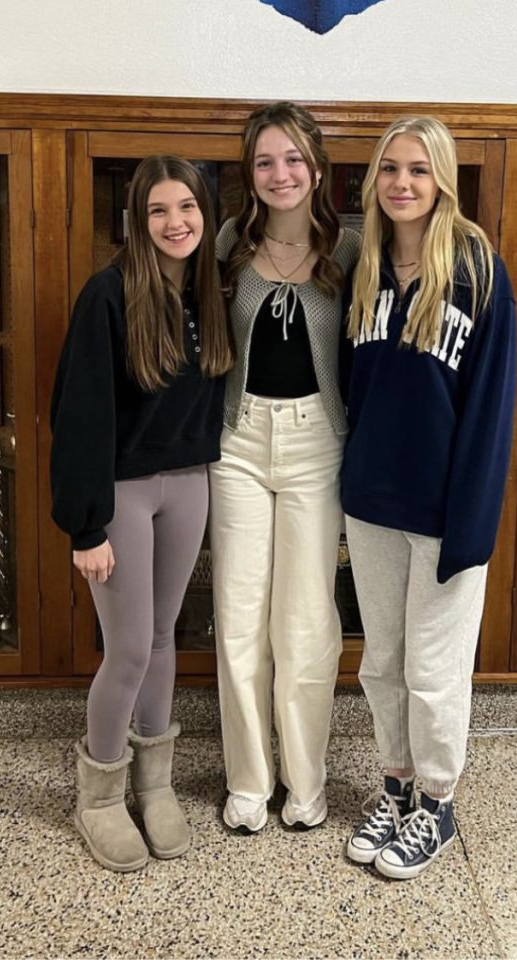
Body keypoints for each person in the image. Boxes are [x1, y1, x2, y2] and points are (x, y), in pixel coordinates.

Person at [341, 116, 517, 880]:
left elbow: (491, 403)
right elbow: (356, 387)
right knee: (382, 662)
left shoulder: (476, 268)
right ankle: (396, 785)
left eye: (417, 169)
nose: (402, 183)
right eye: (389, 170)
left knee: (434, 670)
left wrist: (471, 524)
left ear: (441, 179)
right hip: (372, 500)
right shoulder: (366, 263)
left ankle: (437, 806)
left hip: (446, 510)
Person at [50, 155, 232, 872]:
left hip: (188, 482)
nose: (174, 222)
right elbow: (78, 413)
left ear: (203, 214)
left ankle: (154, 785)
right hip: (123, 489)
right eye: (157, 210)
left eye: (185, 207)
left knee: (163, 638)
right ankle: (98, 794)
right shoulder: (107, 294)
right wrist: (85, 525)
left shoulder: (212, 293)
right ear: (136, 218)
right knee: (126, 649)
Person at [210, 102, 361, 835]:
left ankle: (305, 781)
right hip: (236, 444)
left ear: (317, 168)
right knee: (238, 618)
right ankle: (247, 781)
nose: (281, 173)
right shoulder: (226, 245)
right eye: (265, 161)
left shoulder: (351, 251)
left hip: (315, 443)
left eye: (294, 159)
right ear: (249, 172)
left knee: (304, 623)